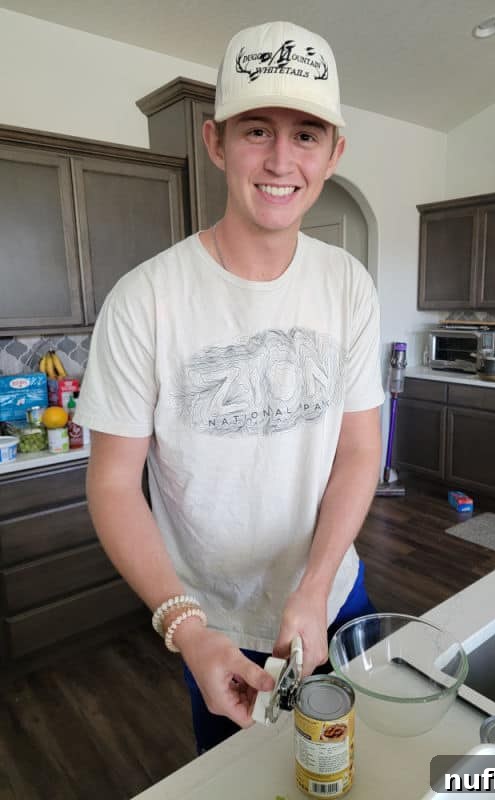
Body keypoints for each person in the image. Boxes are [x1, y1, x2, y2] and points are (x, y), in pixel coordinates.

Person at [75, 19, 384, 754]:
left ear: (334, 152)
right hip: (213, 626)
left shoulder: (347, 284)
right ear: (216, 142)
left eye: (307, 133)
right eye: (257, 130)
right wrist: (186, 629)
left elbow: (360, 448)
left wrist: (312, 590)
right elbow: (113, 484)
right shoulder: (143, 299)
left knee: (359, 764)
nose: (282, 159)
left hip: (336, 594)